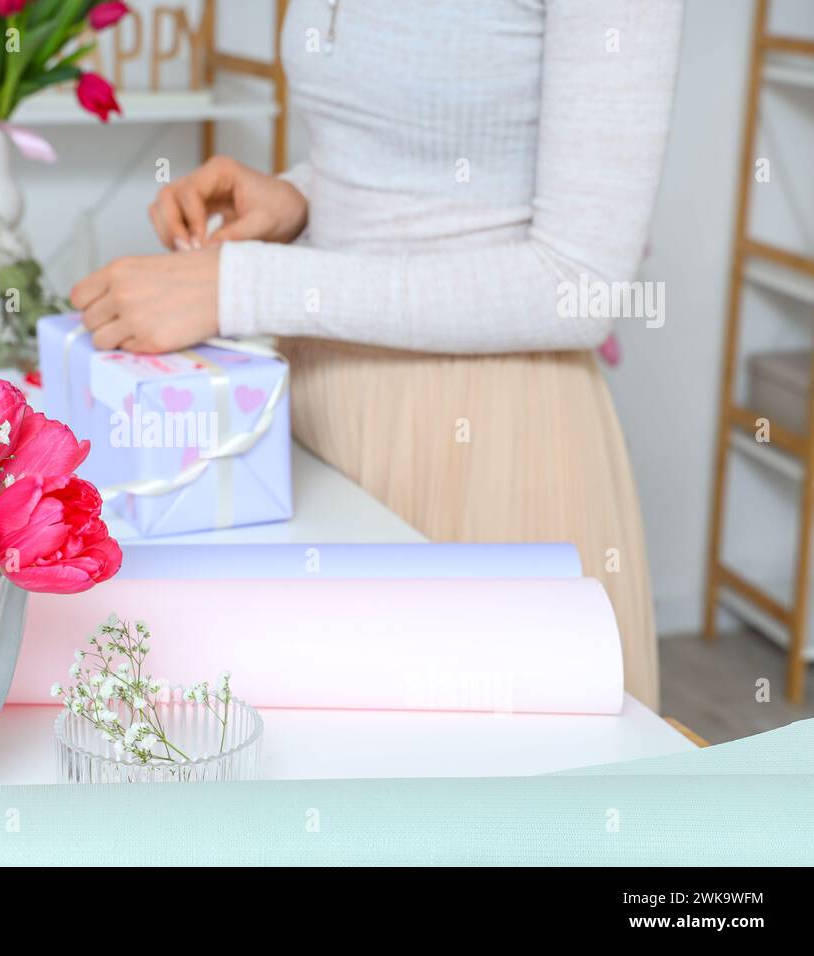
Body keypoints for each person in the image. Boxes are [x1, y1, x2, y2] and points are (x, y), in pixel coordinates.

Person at [70, 0, 684, 709]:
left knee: (472, 798)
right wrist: (299, 199)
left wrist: (240, 286)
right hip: (321, 409)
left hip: (487, 447)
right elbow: (415, 163)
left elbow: (579, 284)